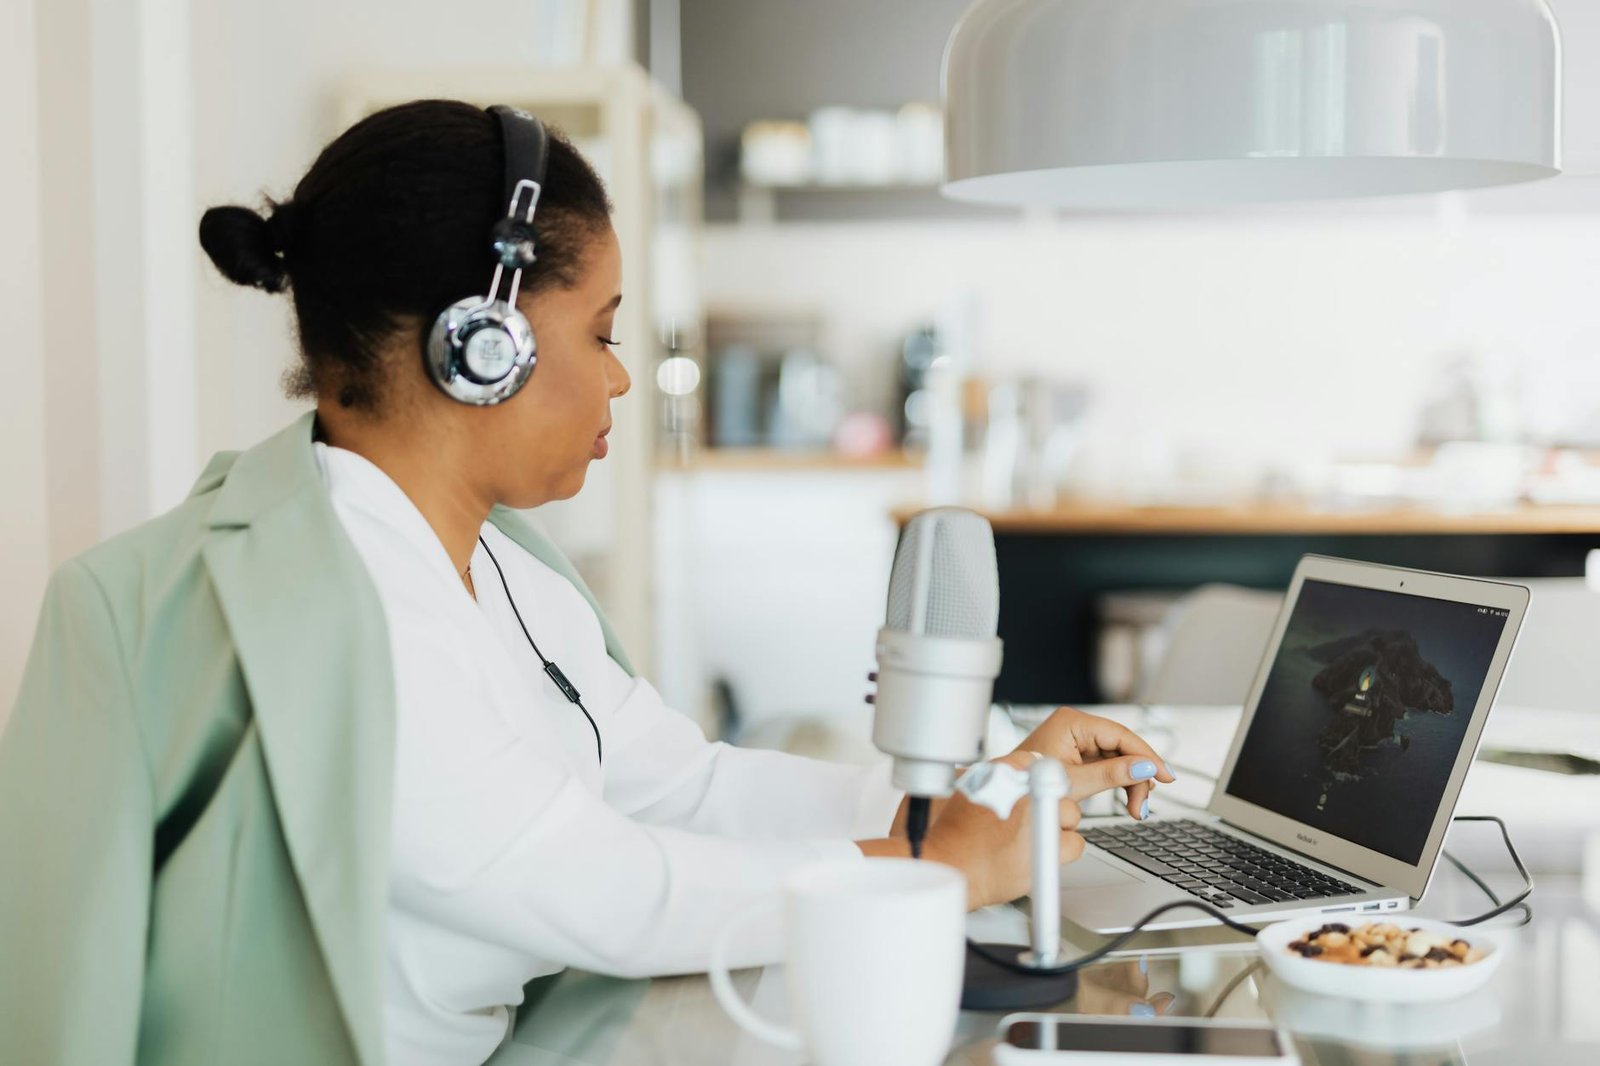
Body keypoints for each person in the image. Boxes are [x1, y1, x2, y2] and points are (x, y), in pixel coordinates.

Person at [0, 99, 1174, 1066]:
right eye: (601, 332)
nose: (620, 379)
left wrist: (968, 798)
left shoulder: (503, 567)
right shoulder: (336, 604)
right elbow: (600, 886)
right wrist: (931, 865)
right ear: (483, 341)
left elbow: (679, 783)